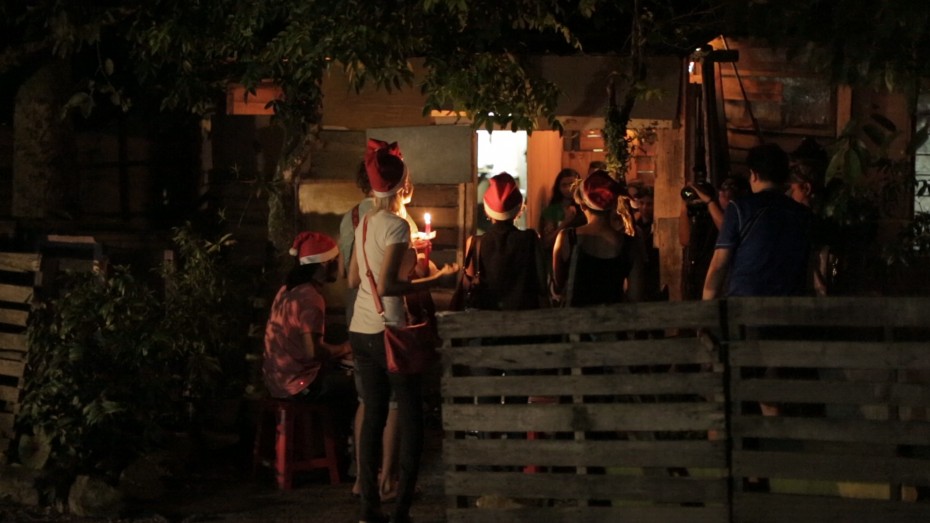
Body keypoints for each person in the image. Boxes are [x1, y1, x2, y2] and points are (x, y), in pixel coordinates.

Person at [347, 139, 458, 523]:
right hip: (390, 330)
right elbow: (392, 285)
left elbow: (355, 276)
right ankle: (401, 511)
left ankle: (368, 510)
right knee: (411, 418)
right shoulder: (394, 225)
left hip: (360, 330)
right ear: (403, 185)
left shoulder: (365, 223)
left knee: (373, 415)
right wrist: (439, 276)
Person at [262, 231, 357, 461]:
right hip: (297, 386)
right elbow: (313, 351)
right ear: (324, 265)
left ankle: (329, 451)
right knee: (357, 387)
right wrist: (346, 347)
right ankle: (345, 456)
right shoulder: (311, 298)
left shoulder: (286, 290)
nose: (340, 267)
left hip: (275, 380)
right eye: (336, 261)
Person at [338, 162, 400, 500]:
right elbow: (395, 278)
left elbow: (349, 276)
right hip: (383, 317)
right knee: (392, 404)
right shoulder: (394, 222)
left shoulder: (352, 220)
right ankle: (387, 480)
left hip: (355, 313)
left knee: (366, 399)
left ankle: (361, 480)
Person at [702, 143, 812, 299]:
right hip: (789, 311)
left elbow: (719, 265)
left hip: (745, 309)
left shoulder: (739, 208)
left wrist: (706, 311)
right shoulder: (803, 214)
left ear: (754, 175)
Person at [551, 170, 645, 307]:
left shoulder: (567, 238)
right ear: (613, 205)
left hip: (576, 323)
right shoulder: (630, 243)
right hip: (614, 322)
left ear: (582, 205)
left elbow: (559, 283)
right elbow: (636, 295)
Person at [463, 172, 547, 311]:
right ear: (519, 209)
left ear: (487, 211)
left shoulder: (475, 243)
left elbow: (468, 285)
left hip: (486, 319)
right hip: (525, 319)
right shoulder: (531, 239)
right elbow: (542, 285)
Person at [679, 175, 749, 300]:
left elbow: (726, 231)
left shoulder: (731, 215)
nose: (723, 195)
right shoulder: (700, 216)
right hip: (698, 272)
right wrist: (684, 208)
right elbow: (685, 240)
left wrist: (709, 202)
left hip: (722, 276)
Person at [539, 168, 585, 258]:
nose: (569, 189)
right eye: (564, 185)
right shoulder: (552, 210)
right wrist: (565, 222)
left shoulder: (585, 208)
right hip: (558, 258)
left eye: (572, 184)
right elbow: (546, 243)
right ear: (558, 187)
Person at [633, 186, 664, 302]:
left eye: (649, 204)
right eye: (641, 203)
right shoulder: (634, 224)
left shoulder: (660, 225)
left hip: (656, 272)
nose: (644, 207)